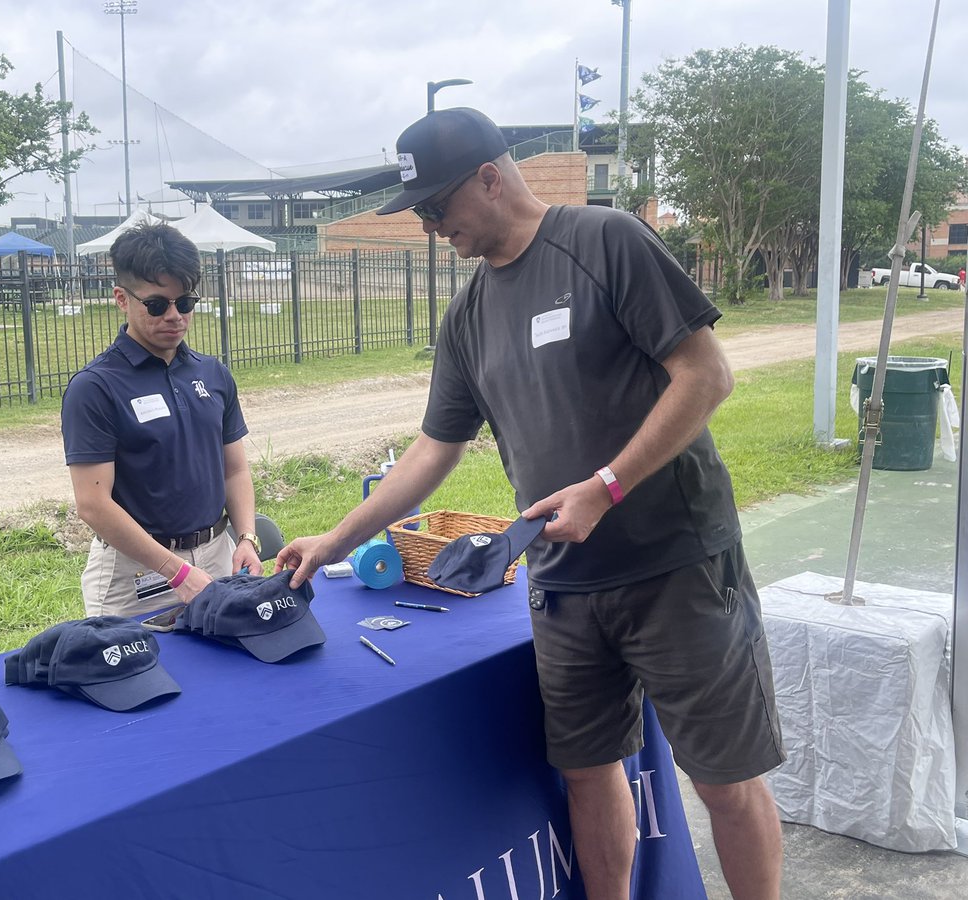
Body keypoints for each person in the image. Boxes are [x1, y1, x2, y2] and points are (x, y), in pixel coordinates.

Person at [276, 108, 785, 900]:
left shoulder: (605, 242)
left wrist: (607, 487)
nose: (430, 226)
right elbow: (433, 450)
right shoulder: (469, 315)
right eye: (419, 214)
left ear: (490, 177)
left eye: (437, 207)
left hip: (676, 565)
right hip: (563, 582)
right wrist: (334, 539)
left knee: (725, 781)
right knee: (587, 775)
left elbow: (706, 376)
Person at [61, 222, 262, 619]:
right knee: (136, 677)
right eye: (157, 305)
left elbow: (234, 469)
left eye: (185, 303)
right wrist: (176, 571)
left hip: (217, 557)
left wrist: (247, 538)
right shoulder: (96, 386)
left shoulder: (212, 374)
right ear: (121, 298)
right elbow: (93, 504)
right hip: (136, 573)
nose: (174, 316)